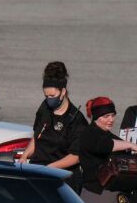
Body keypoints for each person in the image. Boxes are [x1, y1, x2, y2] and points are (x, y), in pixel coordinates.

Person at [20, 61, 88, 193]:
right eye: (46, 96)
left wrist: (50, 167)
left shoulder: (76, 120)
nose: (49, 99)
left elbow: (76, 156)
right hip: (38, 173)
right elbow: (37, 136)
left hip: (62, 179)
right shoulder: (44, 108)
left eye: (52, 96)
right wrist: (25, 155)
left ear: (63, 91)